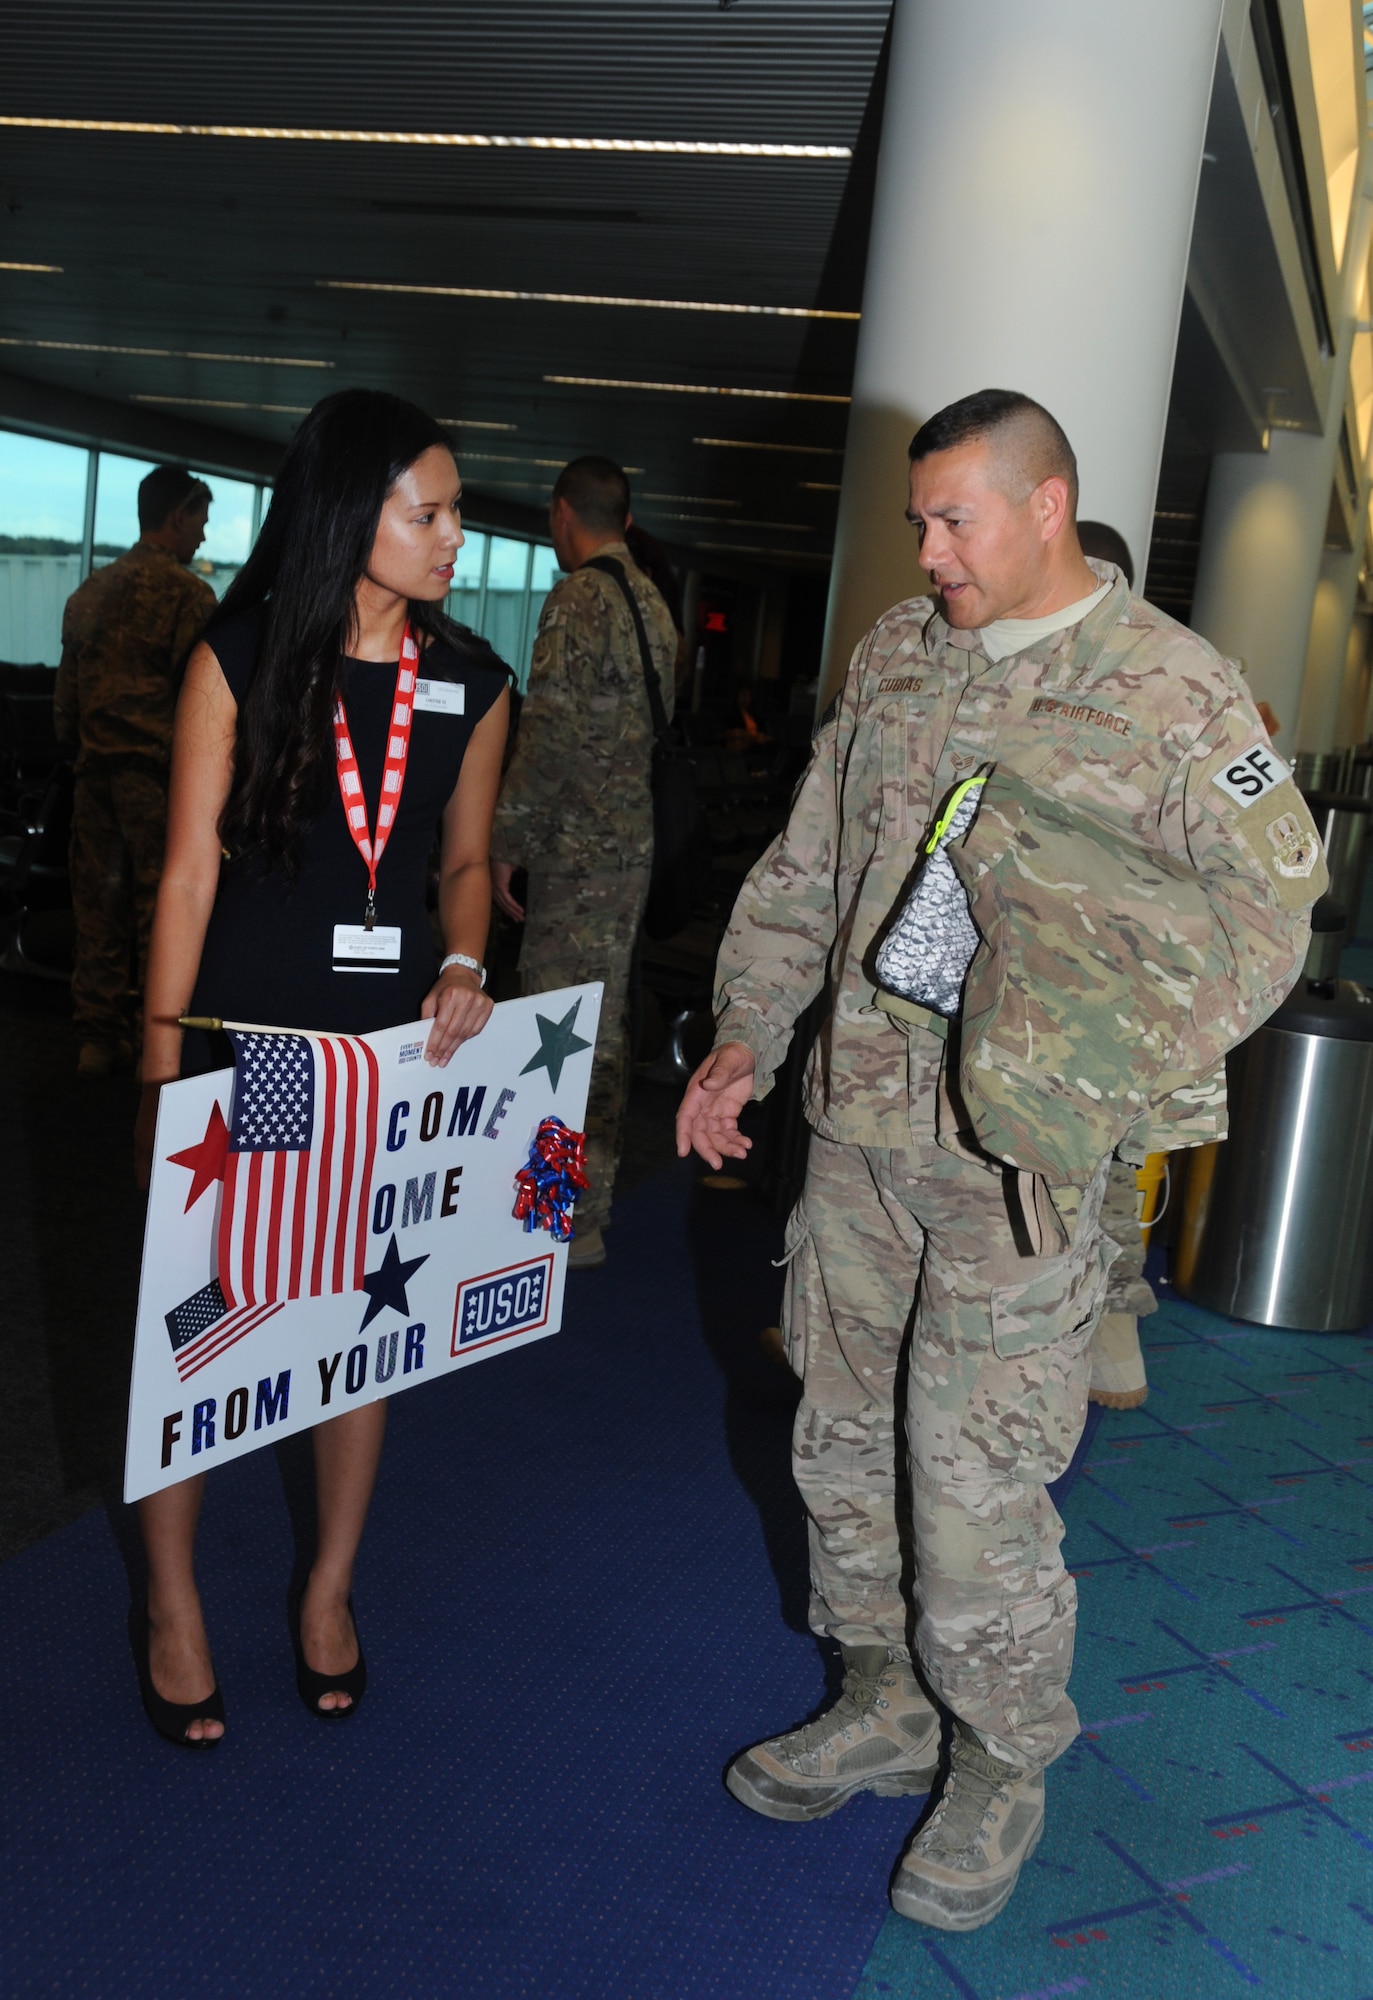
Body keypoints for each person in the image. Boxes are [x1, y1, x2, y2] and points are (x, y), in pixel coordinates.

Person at [676, 390, 1322, 1931]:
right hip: (856, 1133)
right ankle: (884, 1697)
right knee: (839, 1444)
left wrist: (1108, 1062)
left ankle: (1000, 1757)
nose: (929, 548)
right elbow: (811, 866)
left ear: (1048, 508)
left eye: (955, 518)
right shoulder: (900, 652)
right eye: (919, 518)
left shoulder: (1175, 690)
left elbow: (1271, 915)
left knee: (972, 1488)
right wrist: (746, 1034)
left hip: (1017, 1164)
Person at [132, 390, 509, 1746]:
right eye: (431, 511)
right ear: (355, 515)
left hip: (387, 1065)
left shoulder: (469, 680)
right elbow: (186, 876)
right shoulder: (238, 659)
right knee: (198, 1339)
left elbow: (464, 865)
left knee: (362, 1338)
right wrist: (159, 1064)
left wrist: (465, 959)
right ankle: (172, 1606)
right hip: (249, 1054)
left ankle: (329, 1591)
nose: (456, 535)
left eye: (459, 510)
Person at [490, 456, 677, 1270]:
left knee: (554, 1036)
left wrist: (505, 843)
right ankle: (583, 1208)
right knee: (600, 1029)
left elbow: (550, 735)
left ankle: (552, 1213)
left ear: (563, 513)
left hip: (575, 858)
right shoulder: (652, 604)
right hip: (631, 852)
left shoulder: (579, 597)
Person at [55, 465, 217, 1077]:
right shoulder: (189, 598)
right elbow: (200, 703)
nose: (202, 536)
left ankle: (97, 1037)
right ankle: (159, 1050)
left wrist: (84, 750)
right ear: (177, 516)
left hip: (94, 776)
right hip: (158, 782)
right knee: (162, 911)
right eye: (199, 520)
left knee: (97, 905)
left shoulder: (89, 592)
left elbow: (64, 704)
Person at [1075, 520, 1155, 1410]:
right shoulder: (1183, 686)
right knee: (1115, 1166)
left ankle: (1098, 1345)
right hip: (1129, 998)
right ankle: (1112, 1349)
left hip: (1084, 997)